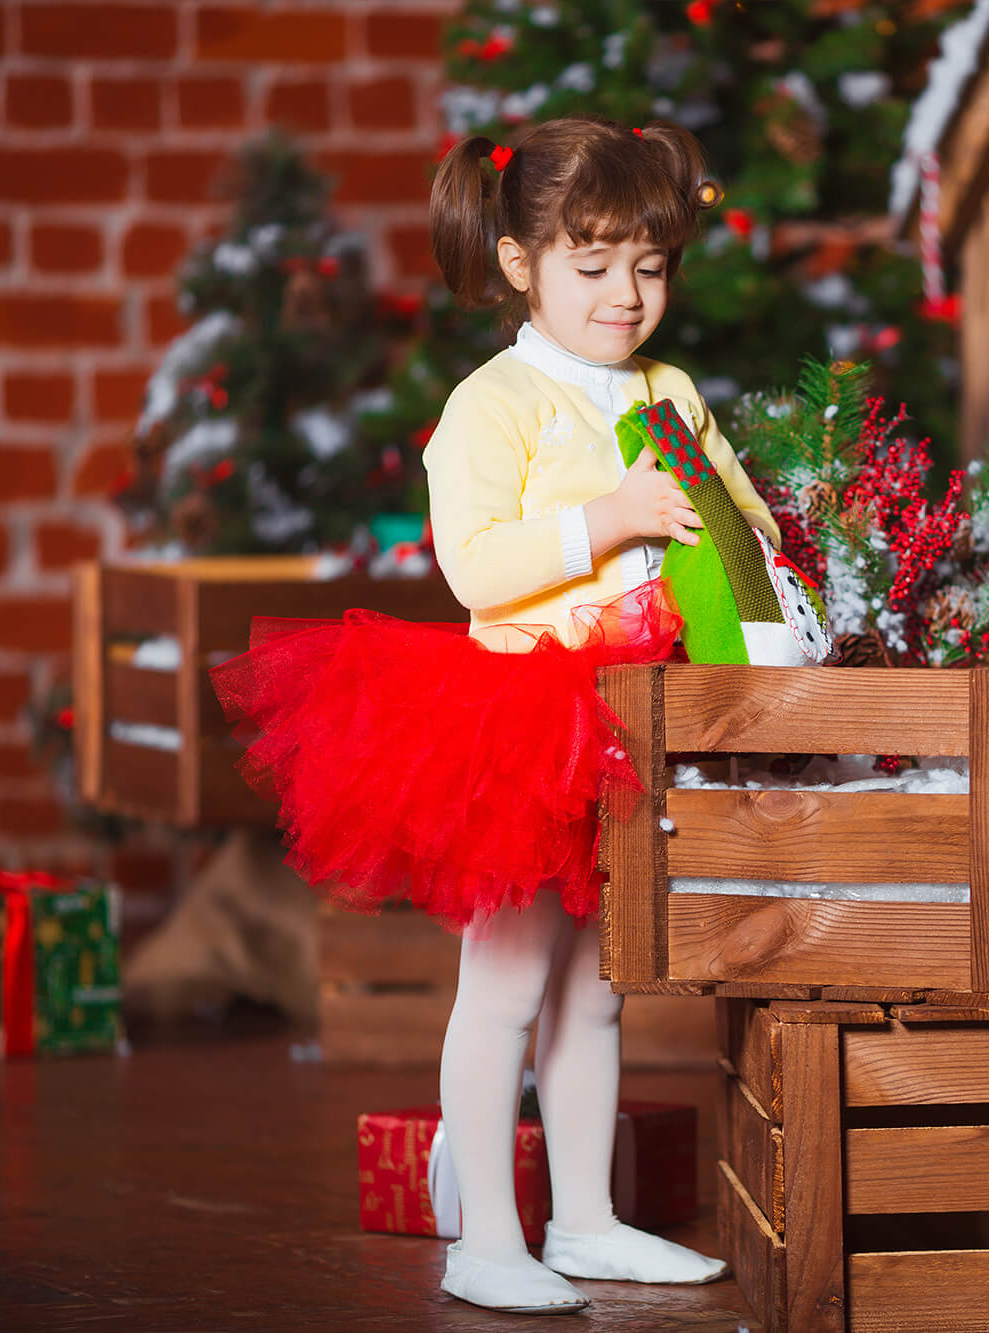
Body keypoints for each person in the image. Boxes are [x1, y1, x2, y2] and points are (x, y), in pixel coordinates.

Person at [211, 116, 781, 1315]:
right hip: (523, 723)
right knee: (507, 985)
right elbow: (473, 567)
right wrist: (609, 519)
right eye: (592, 268)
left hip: (637, 721)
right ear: (521, 264)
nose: (624, 297)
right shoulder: (496, 399)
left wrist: (766, 550)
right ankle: (482, 1233)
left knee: (598, 988)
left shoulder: (668, 389)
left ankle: (584, 1220)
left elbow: (728, 503)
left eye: (650, 266)